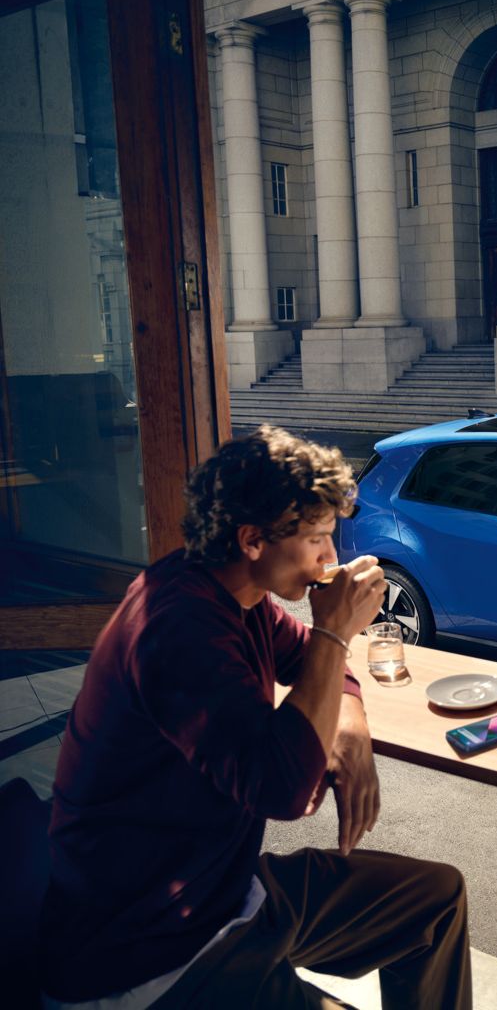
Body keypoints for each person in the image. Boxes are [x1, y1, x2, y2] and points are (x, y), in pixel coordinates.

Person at [37, 426, 471, 1009]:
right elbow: (282, 787)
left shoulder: (239, 598)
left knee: (435, 898)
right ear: (252, 539)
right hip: (145, 952)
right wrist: (335, 630)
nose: (331, 558)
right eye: (316, 538)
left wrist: (352, 730)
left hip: (223, 888)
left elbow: (314, 663)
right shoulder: (177, 627)